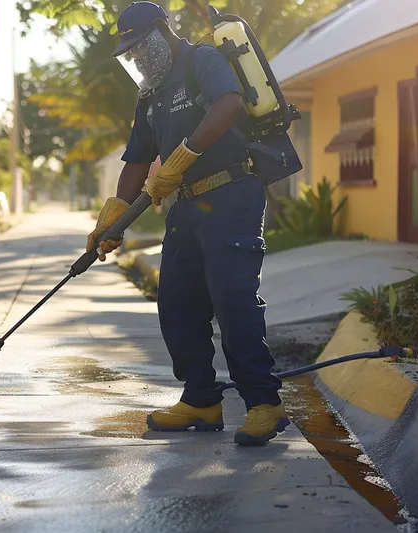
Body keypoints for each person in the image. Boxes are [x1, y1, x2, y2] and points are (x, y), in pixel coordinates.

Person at [87, 1, 289, 445]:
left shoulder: (202, 59)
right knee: (176, 303)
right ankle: (201, 399)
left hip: (230, 193)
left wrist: (186, 154)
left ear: (162, 30)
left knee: (232, 299)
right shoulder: (151, 94)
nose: (138, 58)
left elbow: (230, 103)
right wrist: (115, 215)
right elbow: (138, 157)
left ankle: (263, 403)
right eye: (131, 54)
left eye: (141, 47)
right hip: (186, 205)